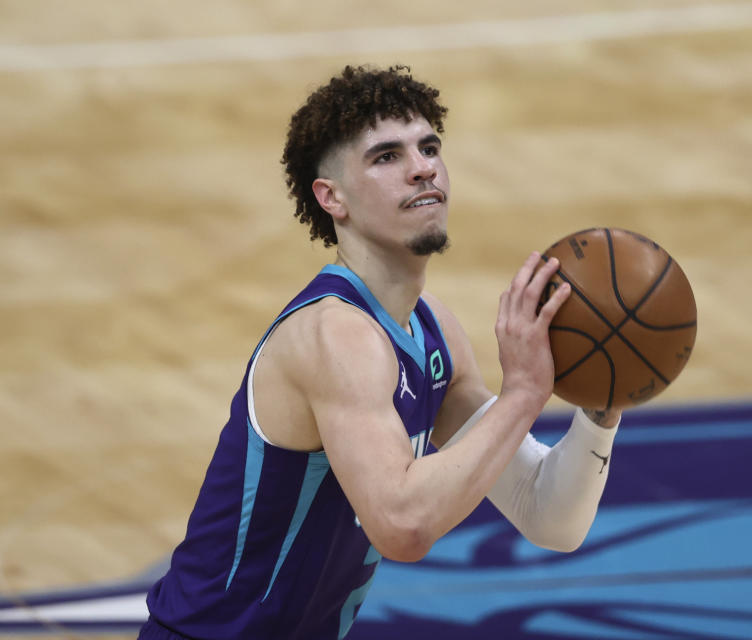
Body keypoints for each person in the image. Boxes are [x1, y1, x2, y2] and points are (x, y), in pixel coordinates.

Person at [139, 64, 621, 640]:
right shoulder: (334, 336)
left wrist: (601, 407)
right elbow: (402, 526)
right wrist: (523, 392)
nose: (422, 168)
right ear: (331, 197)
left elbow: (546, 514)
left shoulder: (431, 328)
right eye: (386, 156)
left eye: (429, 147)